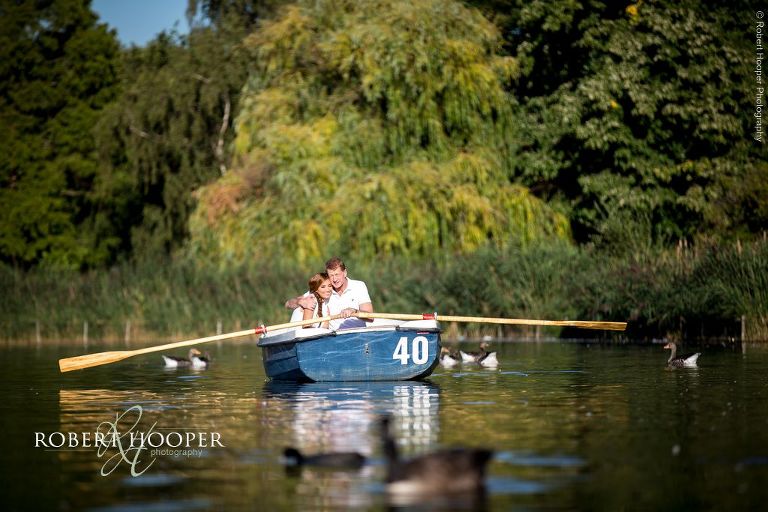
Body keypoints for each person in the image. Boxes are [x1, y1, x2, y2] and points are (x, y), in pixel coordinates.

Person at [285, 257, 373, 330]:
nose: (335, 279)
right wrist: (300, 302)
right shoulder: (324, 290)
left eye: (337, 274)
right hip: (334, 339)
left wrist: (354, 310)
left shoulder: (359, 286)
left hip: (358, 335)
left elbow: (370, 317)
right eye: (331, 275)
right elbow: (288, 304)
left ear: (345, 273)